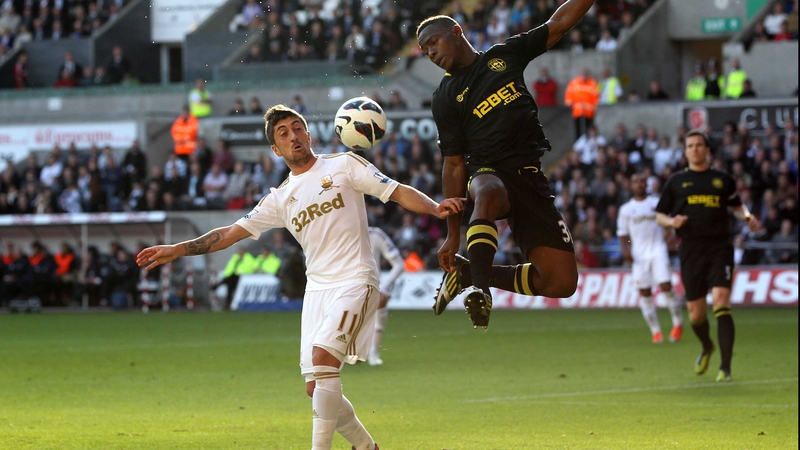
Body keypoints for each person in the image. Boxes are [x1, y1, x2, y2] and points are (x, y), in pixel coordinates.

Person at [136, 104, 464, 450]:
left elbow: (395, 190)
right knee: (316, 388)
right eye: (283, 133)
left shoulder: (343, 165)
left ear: (308, 134)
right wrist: (180, 248)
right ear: (275, 150)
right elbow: (232, 232)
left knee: (324, 363)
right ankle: (367, 447)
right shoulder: (279, 198)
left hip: (356, 279)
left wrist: (434, 207)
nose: (293, 135)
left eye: (298, 128)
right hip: (317, 291)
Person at [416, 0, 592, 329]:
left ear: (456, 32)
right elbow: (454, 166)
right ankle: (479, 291)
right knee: (487, 189)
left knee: (560, 283)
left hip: (530, 179)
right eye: (425, 51)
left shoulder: (504, 56)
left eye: (433, 44)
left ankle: (471, 272)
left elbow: (559, 23)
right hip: (488, 172)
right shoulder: (444, 97)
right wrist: (452, 234)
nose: (430, 54)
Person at [655, 130, 759, 382]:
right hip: (690, 250)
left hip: (719, 247)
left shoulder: (722, 180)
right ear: (686, 151)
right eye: (690, 145)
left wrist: (746, 217)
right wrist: (672, 221)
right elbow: (659, 215)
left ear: (707, 149)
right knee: (696, 314)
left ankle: (725, 367)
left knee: (722, 301)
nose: (695, 149)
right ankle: (707, 347)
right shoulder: (676, 181)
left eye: (699, 145)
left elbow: (736, 206)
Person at [618, 174, 684, 344]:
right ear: (631, 185)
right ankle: (656, 331)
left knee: (666, 286)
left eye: (642, 182)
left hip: (657, 250)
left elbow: (669, 221)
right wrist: (627, 248)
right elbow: (623, 234)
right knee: (645, 292)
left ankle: (678, 323)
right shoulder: (626, 209)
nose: (639, 184)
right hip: (638, 255)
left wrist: (669, 234)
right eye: (636, 182)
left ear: (646, 185)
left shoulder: (655, 203)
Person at [366, 226, 405, 366]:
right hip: (345, 287)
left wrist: (384, 286)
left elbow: (399, 264)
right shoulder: (339, 234)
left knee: (378, 313)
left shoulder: (375, 235)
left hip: (371, 286)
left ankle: (373, 353)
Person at [565, 67, 599, 139]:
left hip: (589, 113)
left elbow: (596, 97)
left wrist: (595, 108)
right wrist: (570, 104)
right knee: (578, 131)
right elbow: (569, 95)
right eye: (583, 73)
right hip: (577, 112)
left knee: (588, 131)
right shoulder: (574, 83)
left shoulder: (592, 83)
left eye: (586, 73)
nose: (584, 75)